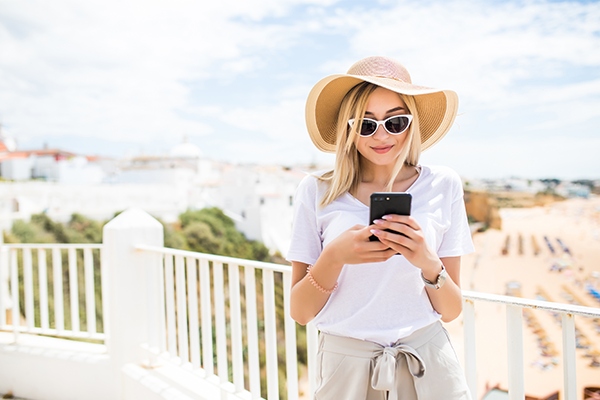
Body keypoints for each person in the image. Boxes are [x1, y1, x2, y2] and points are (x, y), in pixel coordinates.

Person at [286, 56, 474, 399]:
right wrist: (334, 257)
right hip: (347, 367)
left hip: (428, 359)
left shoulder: (443, 184)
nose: (382, 135)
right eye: (366, 124)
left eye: (396, 121)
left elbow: (451, 311)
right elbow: (300, 312)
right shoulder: (316, 191)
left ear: (412, 124)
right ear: (348, 128)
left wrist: (428, 263)